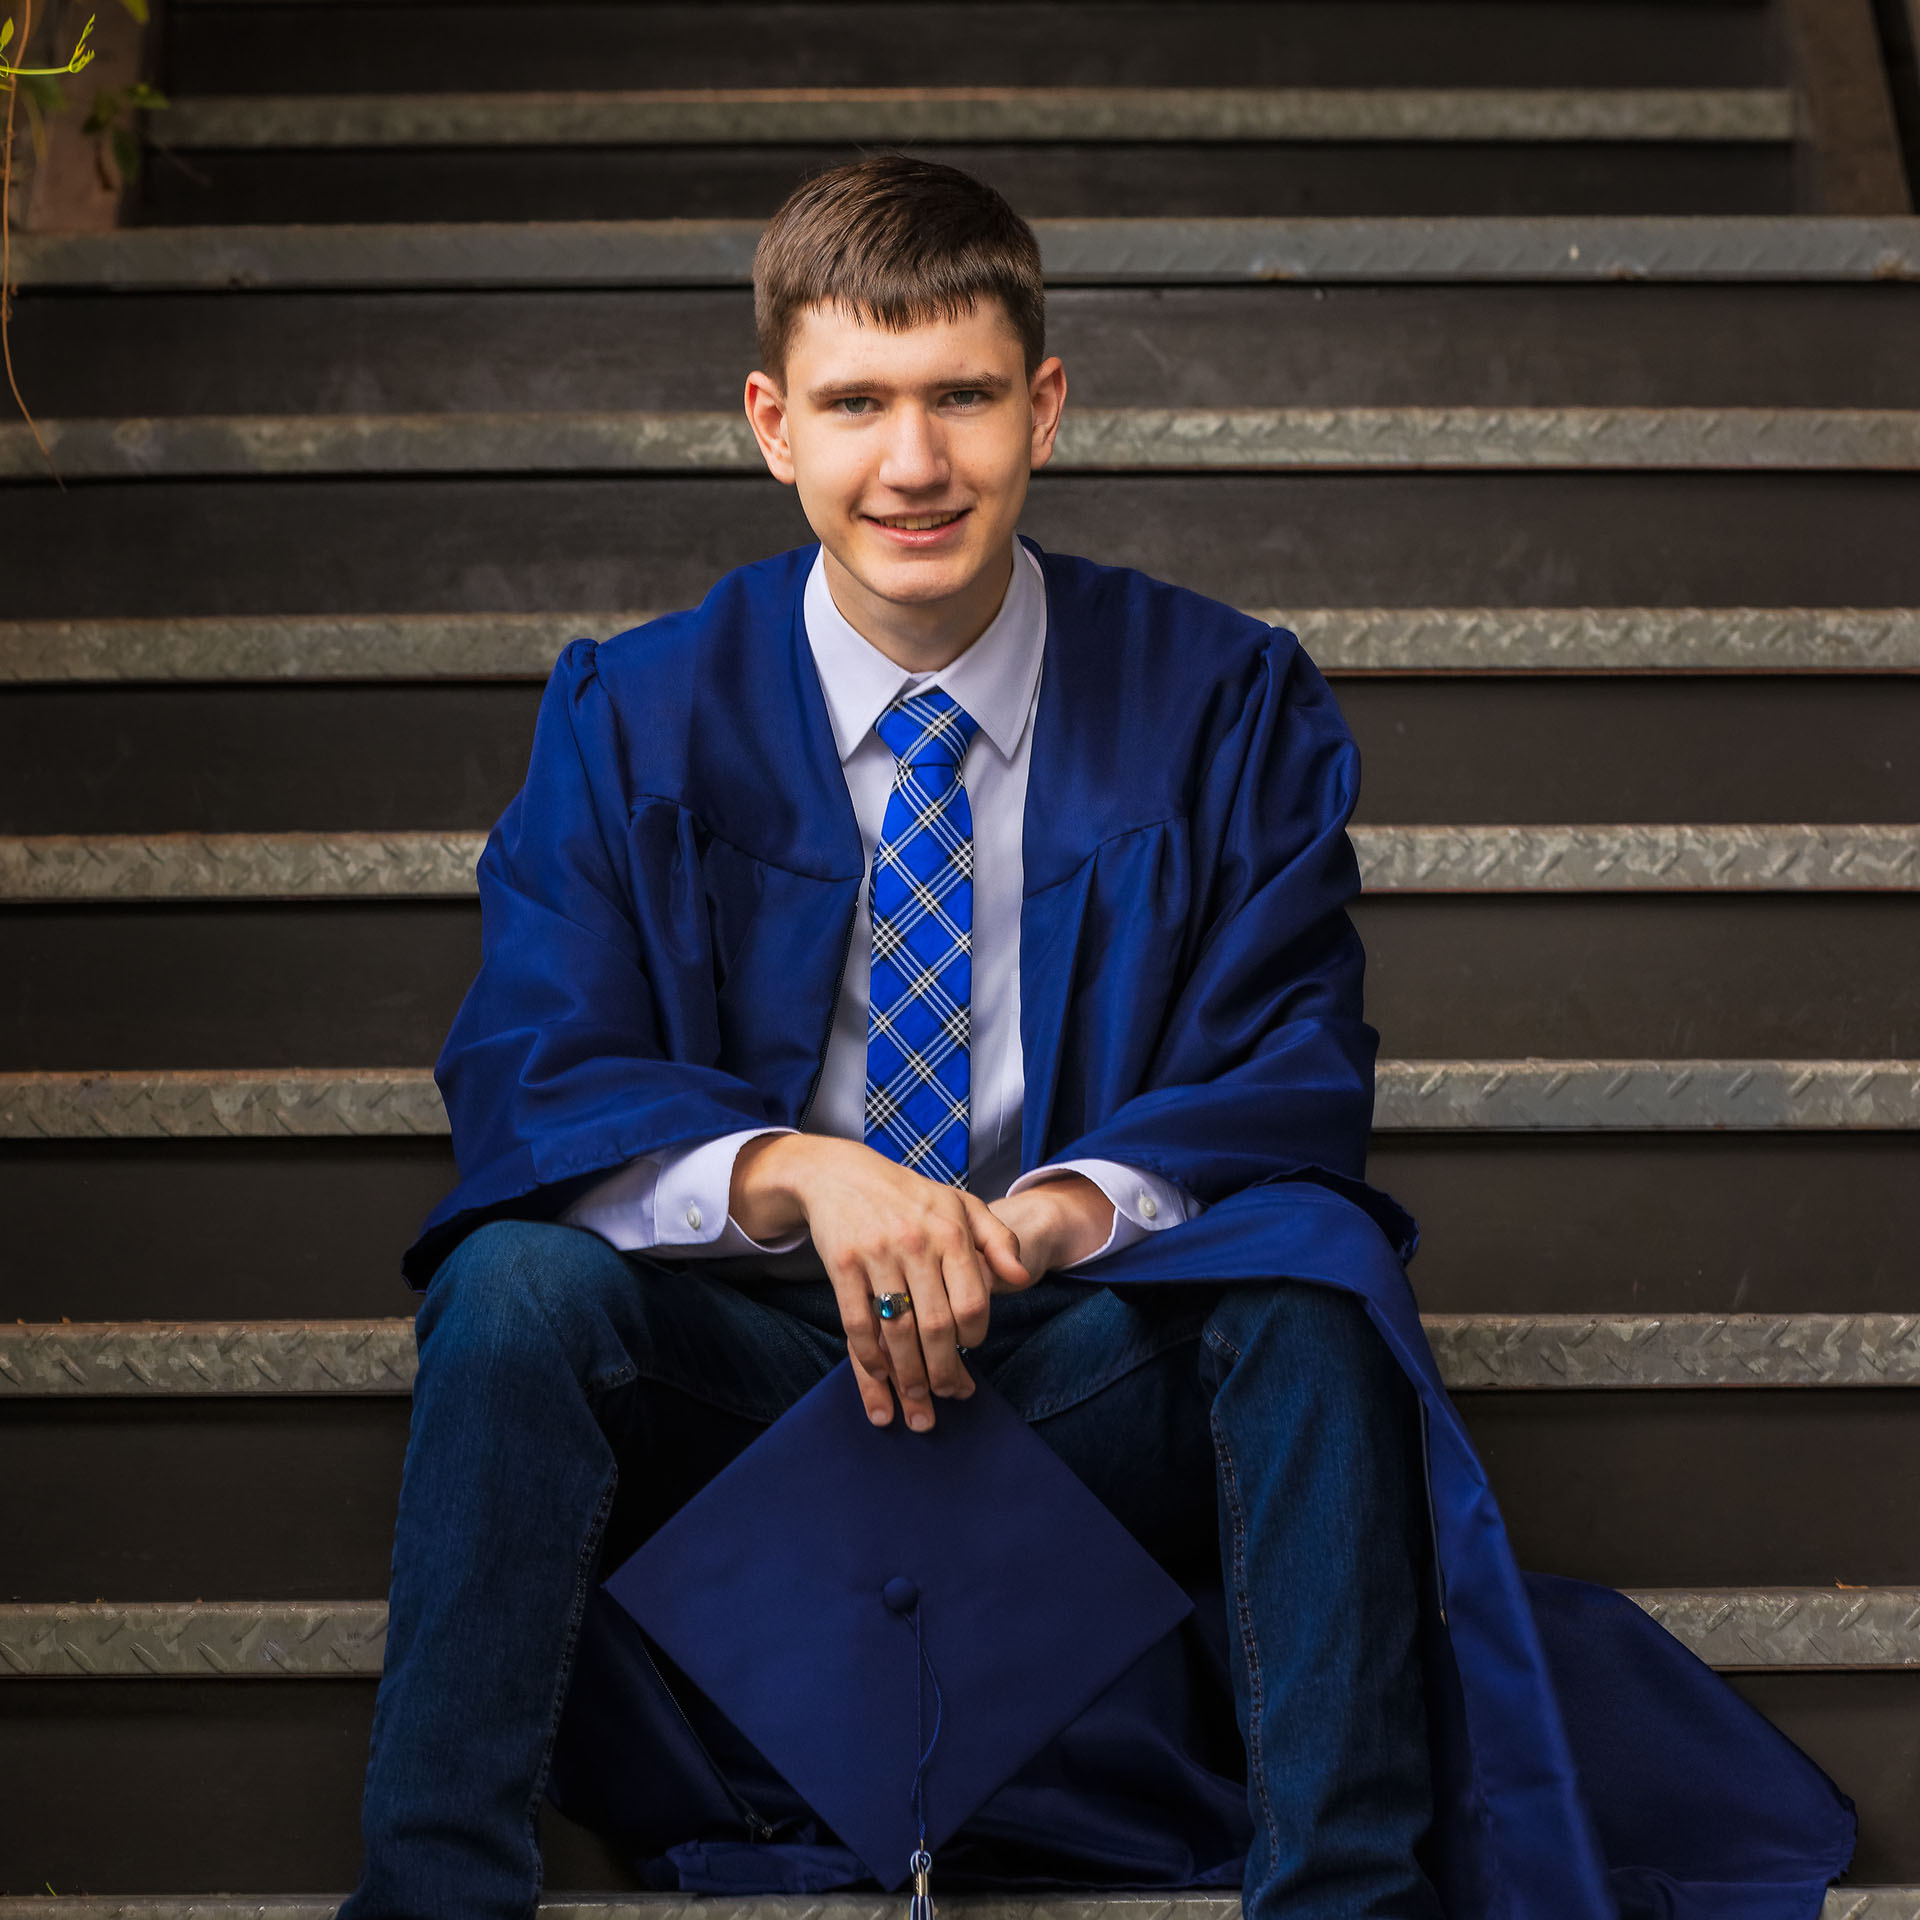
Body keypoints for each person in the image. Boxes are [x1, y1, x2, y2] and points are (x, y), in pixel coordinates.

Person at [337, 155, 1854, 1920]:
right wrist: (803, 1177)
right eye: (856, 405)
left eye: (963, 397)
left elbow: (1291, 1065)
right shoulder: (634, 712)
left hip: (1067, 1367)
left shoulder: (1220, 704)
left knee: (1309, 1279)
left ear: (1042, 404)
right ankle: (432, 1898)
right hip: (740, 1386)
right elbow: (531, 1062)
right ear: (771, 424)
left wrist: (1052, 1216)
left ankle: (1343, 1896)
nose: (913, 464)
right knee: (515, 1289)